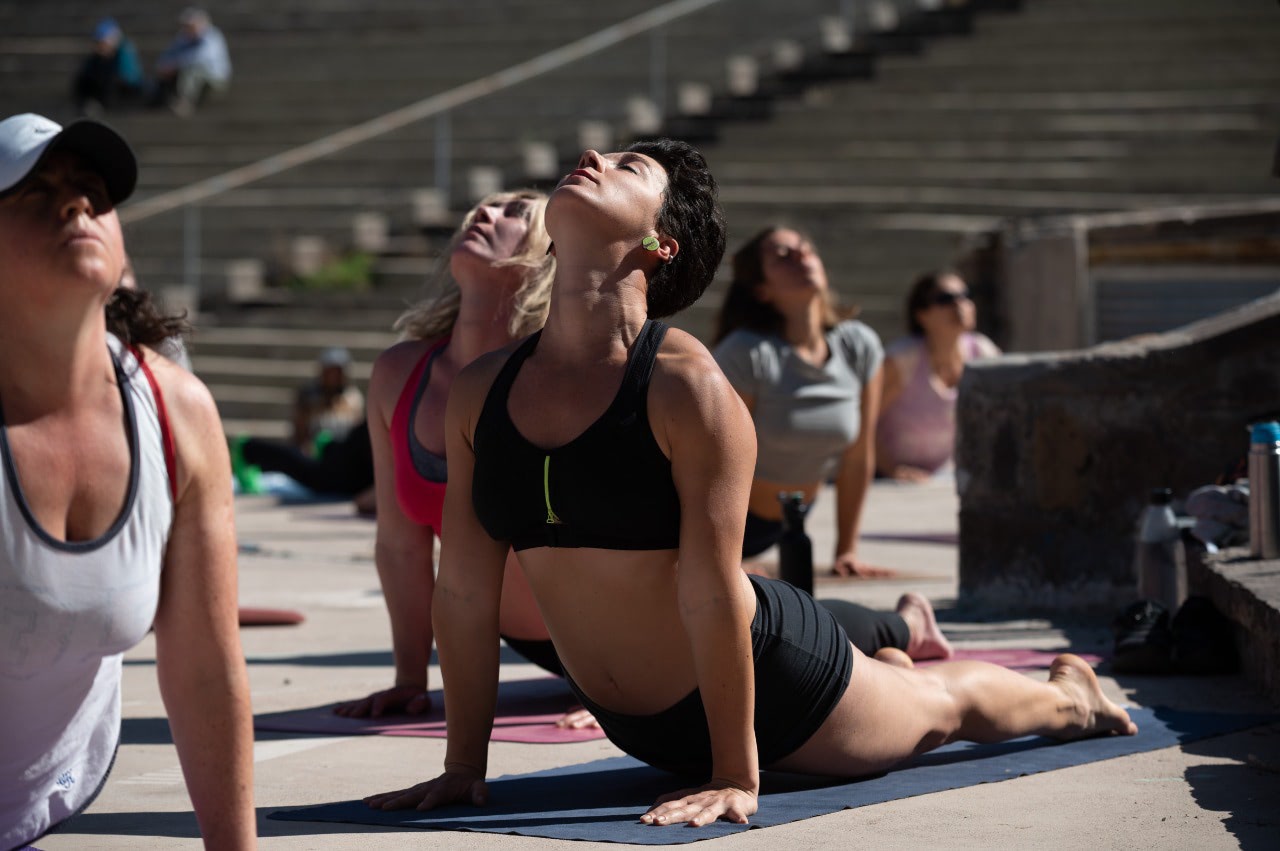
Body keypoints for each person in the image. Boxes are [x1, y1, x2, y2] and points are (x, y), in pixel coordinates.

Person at [363, 140, 1137, 828]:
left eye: (630, 167)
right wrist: (463, 765)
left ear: (659, 244)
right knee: (906, 695)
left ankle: (1072, 694)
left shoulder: (687, 387)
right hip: (635, 725)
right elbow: (463, 590)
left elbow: (712, 591)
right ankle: (891, 660)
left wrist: (735, 772)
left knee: (942, 709)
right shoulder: (484, 390)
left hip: (774, 687)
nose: (593, 159)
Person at [0, 112, 255, 847]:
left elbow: (206, 671)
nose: (76, 203)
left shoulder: (177, 411)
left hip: (49, 803)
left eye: (93, 190)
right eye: (36, 190)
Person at [333, 190, 595, 727]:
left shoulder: (565, 373)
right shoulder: (398, 374)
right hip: (534, 643)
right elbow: (400, 546)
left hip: (636, 636)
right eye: (483, 208)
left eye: (514, 213)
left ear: (549, 257)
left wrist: (619, 683)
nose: (485, 213)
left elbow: (619, 538)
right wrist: (410, 680)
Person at [712, 226, 892, 579]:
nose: (801, 255)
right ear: (761, 289)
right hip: (725, 525)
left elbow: (858, 457)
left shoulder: (859, 346)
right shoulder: (745, 353)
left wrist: (847, 551)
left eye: (805, 248)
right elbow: (713, 462)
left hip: (790, 522)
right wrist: (721, 556)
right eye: (782, 256)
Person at [876, 270, 1001, 481]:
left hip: (946, 478)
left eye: (965, 296)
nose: (959, 304)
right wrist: (892, 470)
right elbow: (863, 419)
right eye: (945, 299)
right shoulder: (902, 360)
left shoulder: (983, 353)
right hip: (887, 483)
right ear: (921, 315)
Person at [152, 7, 231, 116]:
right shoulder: (183, 37)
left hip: (215, 80)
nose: (187, 28)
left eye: (190, 25)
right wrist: (165, 66)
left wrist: (175, 65)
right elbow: (168, 55)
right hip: (190, 76)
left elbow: (200, 58)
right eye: (185, 26)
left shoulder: (212, 36)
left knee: (192, 69)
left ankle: (185, 102)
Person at [72, 18, 146, 116]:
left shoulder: (124, 52)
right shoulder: (96, 58)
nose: (101, 46)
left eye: (103, 42)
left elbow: (130, 78)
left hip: (124, 94)